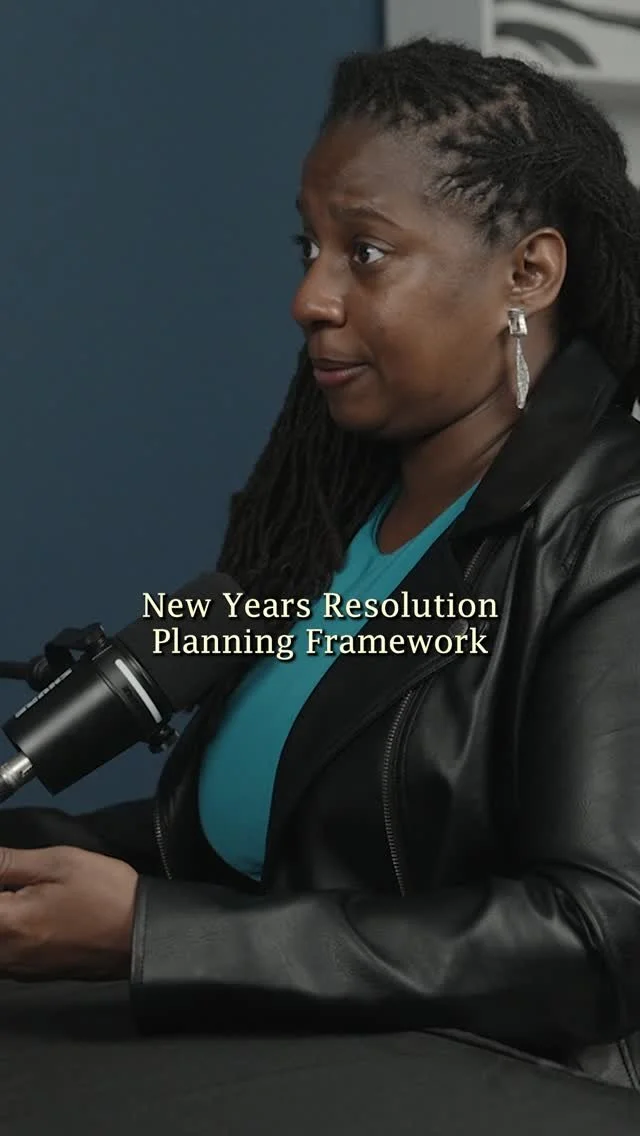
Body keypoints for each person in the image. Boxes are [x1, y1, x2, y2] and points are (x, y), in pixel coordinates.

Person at [1, 34, 640, 1092]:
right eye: (310, 247)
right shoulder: (328, 524)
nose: (310, 297)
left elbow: (597, 932)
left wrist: (158, 933)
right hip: (285, 1074)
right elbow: (260, 841)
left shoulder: (614, 526)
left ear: (526, 273)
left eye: (366, 252)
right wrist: (34, 865)